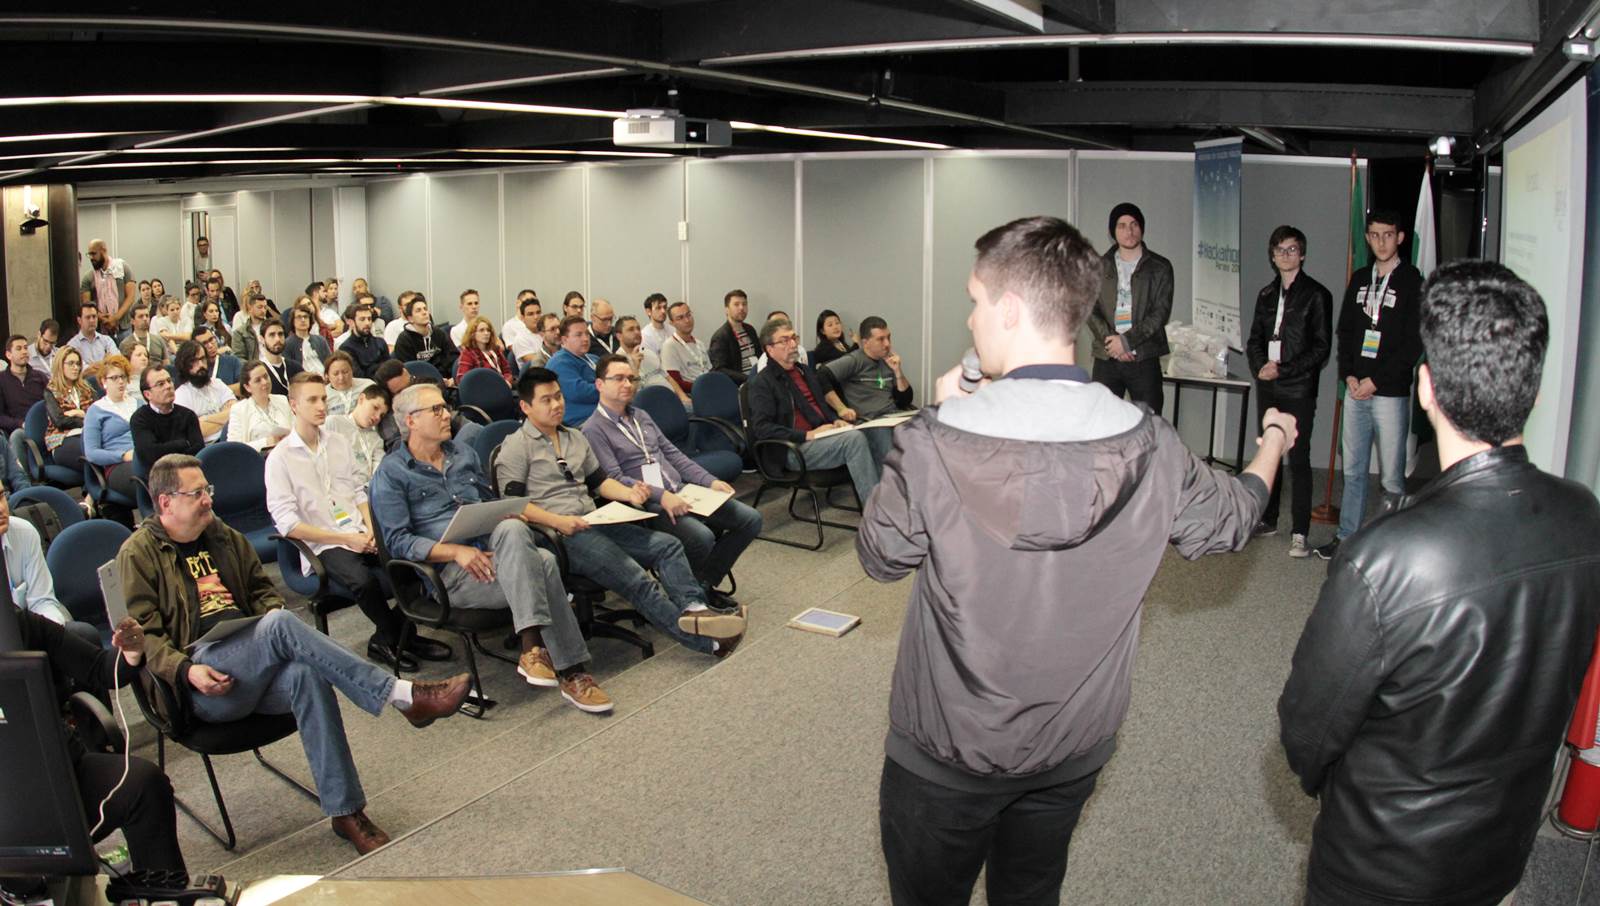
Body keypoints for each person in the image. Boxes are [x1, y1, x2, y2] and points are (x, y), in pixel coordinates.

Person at [858, 215, 1294, 906]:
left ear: (1008, 309)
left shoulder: (937, 440)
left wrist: (938, 417)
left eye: (975, 302)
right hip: (1072, 749)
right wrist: (1272, 439)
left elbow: (881, 555)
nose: (970, 320)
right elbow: (1234, 518)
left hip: (947, 750)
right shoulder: (1152, 442)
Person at [1278, 260, 1600, 906]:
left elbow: (1307, 734)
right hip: (1503, 850)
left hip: (1382, 865)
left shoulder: (1384, 555)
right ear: (1534, 393)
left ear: (1425, 388)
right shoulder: (1584, 515)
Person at [122, 453, 473, 854]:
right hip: (201, 682)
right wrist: (186, 670)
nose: (208, 500)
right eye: (197, 493)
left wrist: (270, 617)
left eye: (208, 489)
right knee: (278, 624)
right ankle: (401, 695)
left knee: (306, 674)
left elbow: (262, 592)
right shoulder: (139, 553)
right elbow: (146, 637)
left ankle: (346, 811)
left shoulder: (222, 535)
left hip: (252, 660)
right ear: (165, 502)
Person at [370, 382, 616, 713]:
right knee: (544, 562)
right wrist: (456, 551)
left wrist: (504, 512)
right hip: (451, 575)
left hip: (497, 555)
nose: (447, 415)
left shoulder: (463, 454)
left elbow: (489, 505)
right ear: (411, 421)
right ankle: (572, 673)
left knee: (512, 526)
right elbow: (398, 541)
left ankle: (533, 649)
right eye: (437, 410)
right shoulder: (392, 473)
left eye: (446, 407)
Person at [497, 367, 746, 658]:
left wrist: (629, 493)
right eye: (546, 400)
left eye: (558, 396)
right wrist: (558, 522)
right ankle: (708, 642)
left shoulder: (574, 437)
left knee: (668, 546)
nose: (556, 405)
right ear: (526, 407)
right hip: (560, 534)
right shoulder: (515, 447)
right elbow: (512, 505)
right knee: (637, 579)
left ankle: (696, 610)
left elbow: (600, 482)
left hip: (594, 521)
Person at [268, 372, 451, 672]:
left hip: (358, 530)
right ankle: (395, 637)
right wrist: (346, 539)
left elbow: (357, 491)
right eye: (312, 400)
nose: (321, 406)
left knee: (412, 564)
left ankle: (395, 636)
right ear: (293, 405)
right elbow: (288, 524)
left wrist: (369, 528)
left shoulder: (338, 442)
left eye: (323, 399)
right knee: (364, 581)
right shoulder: (280, 458)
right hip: (322, 543)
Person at [16, 607, 192, 873]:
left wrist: (130, 654)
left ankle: (163, 891)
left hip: (59, 775)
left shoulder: (16, 623)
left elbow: (100, 668)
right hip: (12, 800)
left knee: (145, 784)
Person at [583, 355, 760, 606]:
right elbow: (615, 478)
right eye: (619, 379)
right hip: (647, 503)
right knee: (701, 537)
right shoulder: (594, 429)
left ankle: (702, 584)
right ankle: (695, 593)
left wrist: (709, 481)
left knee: (750, 519)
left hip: (681, 490)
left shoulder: (641, 415)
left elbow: (674, 455)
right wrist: (661, 495)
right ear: (600, 384)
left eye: (631, 378)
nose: (628, 384)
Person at [1314, 209, 1425, 561]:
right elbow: (1346, 332)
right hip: (1355, 390)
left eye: (1388, 235)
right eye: (1375, 235)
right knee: (1354, 472)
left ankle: (1390, 551)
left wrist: (1375, 381)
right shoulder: (1361, 279)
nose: (1381, 242)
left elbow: (1413, 343)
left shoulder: (1412, 281)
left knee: (1391, 478)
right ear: (1367, 238)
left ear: (1400, 237)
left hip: (1388, 393)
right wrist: (1348, 375)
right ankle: (1347, 537)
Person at [1244, 225, 1332, 558]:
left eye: (1291, 249)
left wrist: (1284, 369)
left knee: (1298, 458)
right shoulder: (1266, 295)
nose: (1285, 255)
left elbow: (1321, 348)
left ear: (1302, 254)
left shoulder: (1317, 295)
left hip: (1298, 386)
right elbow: (1254, 339)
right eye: (1279, 250)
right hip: (1268, 384)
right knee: (1269, 451)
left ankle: (1300, 532)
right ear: (1272, 255)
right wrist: (1260, 367)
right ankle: (1268, 519)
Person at [747, 318, 880, 503]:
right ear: (770, 349)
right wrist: (807, 435)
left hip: (821, 437)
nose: (793, 344)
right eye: (784, 340)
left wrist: (835, 420)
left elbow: (820, 407)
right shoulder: (762, 382)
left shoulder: (804, 371)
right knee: (854, 441)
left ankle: (887, 499)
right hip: (792, 448)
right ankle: (876, 511)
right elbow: (762, 428)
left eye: (794, 338)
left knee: (871, 430)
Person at [1086, 201, 1173, 414]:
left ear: (1141, 228)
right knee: (1103, 423)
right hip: (1107, 358)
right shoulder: (1098, 266)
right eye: (1122, 226)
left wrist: (1127, 342)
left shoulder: (1160, 268)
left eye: (1134, 224)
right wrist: (1113, 342)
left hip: (1144, 358)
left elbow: (1160, 313)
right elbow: (1090, 309)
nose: (1129, 231)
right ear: (1113, 232)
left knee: (1148, 423)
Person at [2, 483, 99, 645]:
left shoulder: (24, 533)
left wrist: (54, 635)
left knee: (84, 636)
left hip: (30, 633)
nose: (1, 508)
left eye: (1, 497)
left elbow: (41, 601)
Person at [821, 315, 913, 462]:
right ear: (865, 343)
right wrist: (841, 408)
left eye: (888, 337)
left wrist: (897, 372)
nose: (887, 344)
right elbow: (821, 376)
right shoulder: (854, 360)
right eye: (881, 339)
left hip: (892, 417)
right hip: (870, 422)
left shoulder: (887, 360)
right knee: (890, 447)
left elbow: (905, 400)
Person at [82, 354, 143, 506]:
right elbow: (92, 453)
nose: (120, 381)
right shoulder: (96, 411)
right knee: (151, 480)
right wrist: (123, 456)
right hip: (118, 466)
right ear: (104, 382)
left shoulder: (139, 404)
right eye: (114, 378)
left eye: (123, 376)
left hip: (145, 457)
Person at [130, 365, 205, 464]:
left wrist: (164, 448)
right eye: (161, 384)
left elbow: (198, 451)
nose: (168, 386)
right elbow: (151, 455)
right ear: (148, 394)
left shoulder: (188, 415)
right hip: (157, 472)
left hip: (189, 469)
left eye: (169, 381)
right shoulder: (140, 419)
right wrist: (182, 443)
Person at [172, 339, 236, 442]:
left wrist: (206, 419)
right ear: (184, 365)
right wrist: (225, 417)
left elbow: (236, 412)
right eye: (194, 361)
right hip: (208, 447)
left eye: (202, 359)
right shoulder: (180, 396)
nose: (201, 365)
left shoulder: (218, 384)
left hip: (233, 438)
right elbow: (197, 431)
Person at [616, 315, 687, 407]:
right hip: (649, 407)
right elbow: (627, 398)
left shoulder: (648, 352)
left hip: (671, 400)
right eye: (631, 329)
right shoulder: (617, 362)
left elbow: (668, 377)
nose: (637, 332)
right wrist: (635, 369)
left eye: (638, 328)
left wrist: (683, 397)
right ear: (619, 336)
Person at [45, 346, 98, 469]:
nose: (76, 367)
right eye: (71, 363)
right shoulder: (51, 390)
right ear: (60, 365)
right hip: (61, 440)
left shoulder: (87, 388)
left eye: (78, 364)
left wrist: (79, 413)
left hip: (88, 434)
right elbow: (60, 422)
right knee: (89, 451)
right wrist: (86, 419)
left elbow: (98, 413)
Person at [326, 383, 388, 482]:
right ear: (361, 399)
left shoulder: (376, 439)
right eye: (375, 408)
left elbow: (379, 471)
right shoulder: (334, 423)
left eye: (381, 415)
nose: (377, 417)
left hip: (369, 488)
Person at [227, 360, 292, 452]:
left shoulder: (282, 400)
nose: (265, 382)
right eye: (258, 380)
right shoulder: (239, 409)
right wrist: (266, 442)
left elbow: (296, 430)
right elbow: (234, 448)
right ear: (247, 387)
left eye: (266, 376)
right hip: (257, 458)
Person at [546, 315, 600, 427]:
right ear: (564, 340)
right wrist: (611, 389)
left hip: (603, 414)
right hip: (581, 422)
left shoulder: (594, 358)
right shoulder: (559, 363)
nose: (585, 339)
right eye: (579, 335)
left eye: (587, 334)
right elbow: (581, 393)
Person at [391, 293, 458, 381]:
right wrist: (437, 379)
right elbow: (410, 370)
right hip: (419, 384)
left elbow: (453, 357)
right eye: (418, 310)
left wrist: (451, 378)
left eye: (425, 309)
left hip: (446, 380)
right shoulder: (404, 340)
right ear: (410, 318)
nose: (424, 312)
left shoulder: (439, 333)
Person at [80, 238, 137, 332]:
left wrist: (115, 318)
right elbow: (86, 304)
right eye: (89, 254)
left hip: (123, 328)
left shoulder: (123, 268)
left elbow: (131, 297)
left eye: (93, 254)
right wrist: (101, 317)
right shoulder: (88, 277)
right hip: (100, 329)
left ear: (104, 251)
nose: (91, 258)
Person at [708, 289, 759, 384]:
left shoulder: (750, 329)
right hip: (739, 384)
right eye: (736, 304)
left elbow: (759, 356)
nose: (741, 308)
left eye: (744, 304)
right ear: (727, 310)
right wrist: (747, 378)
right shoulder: (720, 337)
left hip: (757, 379)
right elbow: (719, 369)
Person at [0, 333, 48, 433]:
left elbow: (51, 405)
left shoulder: (40, 377)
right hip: (16, 430)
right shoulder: (2, 380)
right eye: (19, 349)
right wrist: (21, 424)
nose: (24, 352)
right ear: (8, 355)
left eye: (26, 348)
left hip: (43, 426)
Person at [661, 301, 712, 394]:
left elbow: (710, 371)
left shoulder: (700, 344)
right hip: (690, 395)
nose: (687, 320)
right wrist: (704, 387)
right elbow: (676, 382)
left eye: (688, 315)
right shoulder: (669, 346)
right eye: (680, 318)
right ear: (672, 323)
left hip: (708, 390)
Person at [455, 316, 516, 385]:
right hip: (483, 388)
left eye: (488, 330)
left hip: (502, 385)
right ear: (472, 334)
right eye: (481, 330)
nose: (486, 333)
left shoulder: (495, 349)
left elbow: (507, 371)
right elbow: (462, 379)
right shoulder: (467, 354)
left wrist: (507, 381)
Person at [342, 298, 392, 378]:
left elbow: (390, 369)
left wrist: (371, 369)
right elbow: (360, 376)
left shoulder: (380, 342)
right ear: (351, 323)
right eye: (362, 319)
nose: (367, 323)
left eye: (369, 319)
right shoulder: (346, 348)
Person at [257, 320, 304, 396]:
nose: (277, 339)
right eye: (272, 335)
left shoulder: (296, 368)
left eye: (280, 334)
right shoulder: (258, 371)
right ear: (262, 339)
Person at [323, 351, 376, 417]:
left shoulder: (368, 386)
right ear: (327, 375)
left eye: (345, 372)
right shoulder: (323, 395)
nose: (341, 377)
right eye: (335, 374)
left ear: (352, 370)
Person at [288, 300, 333, 375]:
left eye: (305, 317)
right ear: (293, 321)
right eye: (299, 317)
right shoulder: (288, 344)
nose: (303, 320)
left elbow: (330, 362)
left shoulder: (320, 340)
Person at [500, 291, 544, 366]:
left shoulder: (547, 332)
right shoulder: (521, 339)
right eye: (530, 314)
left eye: (538, 312)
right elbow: (538, 363)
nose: (536, 317)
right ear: (523, 318)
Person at [66, 302, 117, 366]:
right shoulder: (72, 345)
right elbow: (80, 368)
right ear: (79, 320)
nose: (92, 320)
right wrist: (104, 362)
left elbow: (117, 361)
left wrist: (92, 366)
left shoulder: (107, 341)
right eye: (88, 317)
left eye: (94, 316)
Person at [119, 302, 167, 366]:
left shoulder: (159, 340)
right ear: (132, 321)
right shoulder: (125, 344)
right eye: (140, 316)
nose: (145, 319)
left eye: (147, 316)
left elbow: (166, 363)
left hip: (157, 370)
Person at [230, 292, 272, 361]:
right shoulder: (240, 332)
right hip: (253, 365)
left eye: (265, 307)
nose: (263, 311)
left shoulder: (272, 328)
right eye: (259, 307)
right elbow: (238, 358)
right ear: (250, 308)